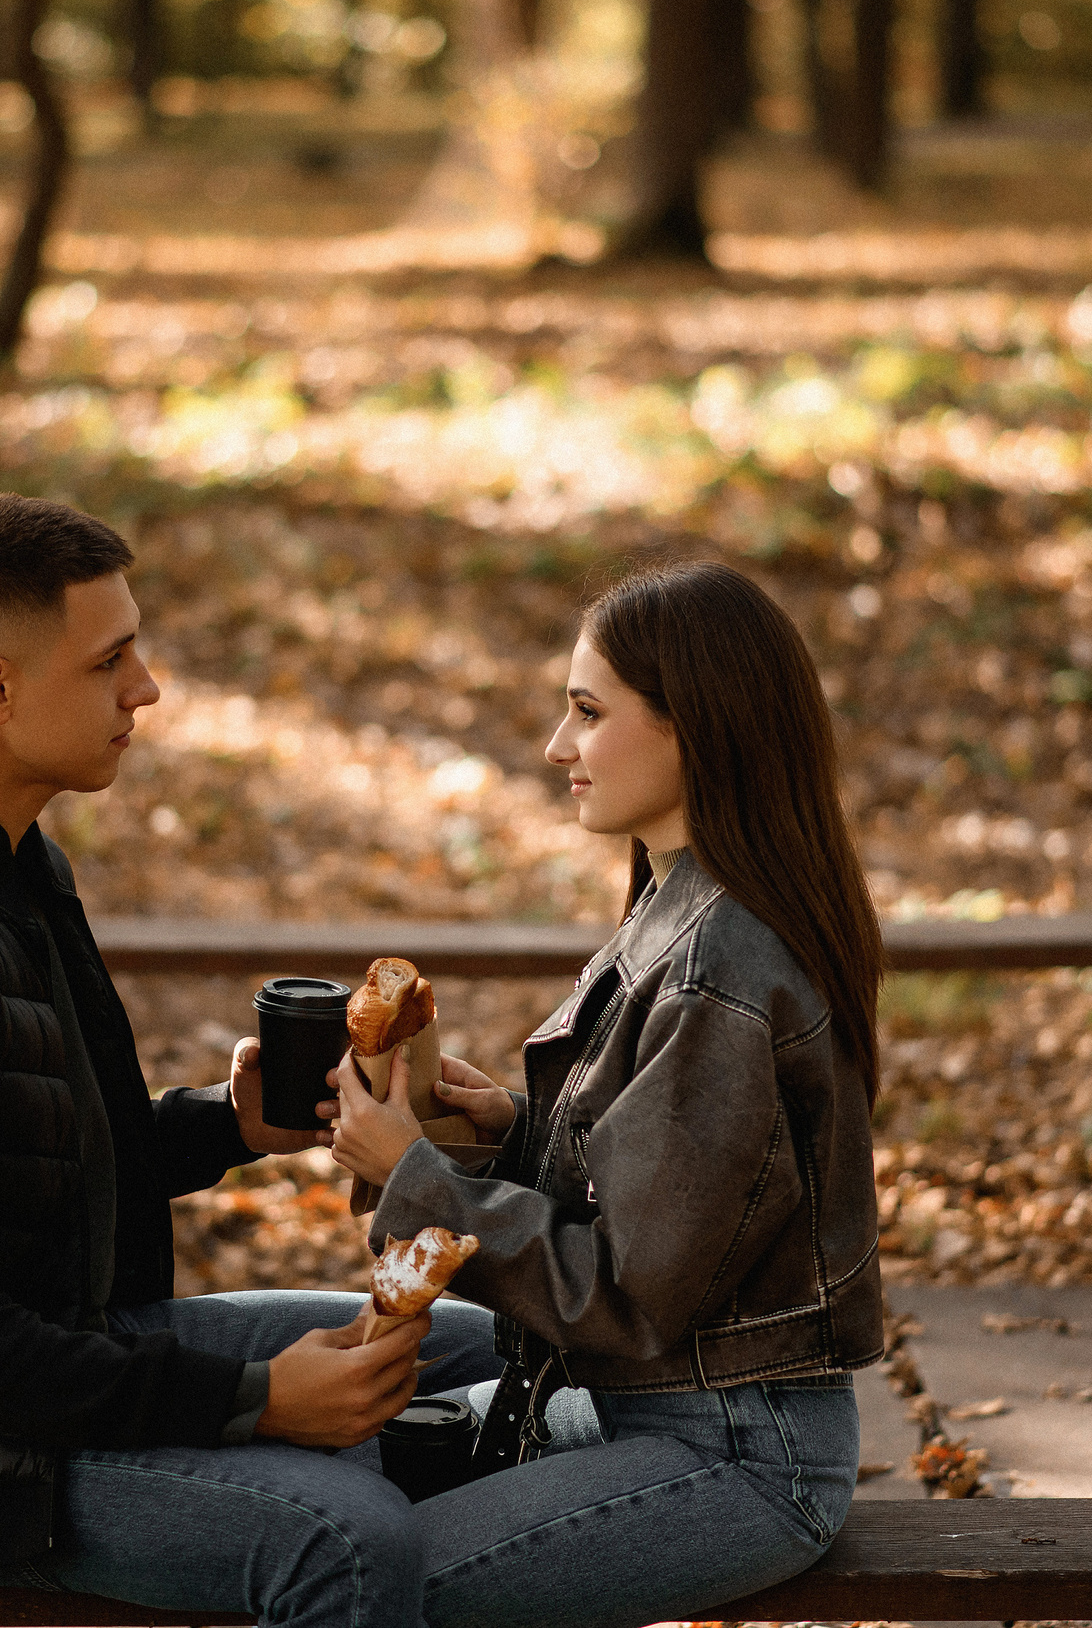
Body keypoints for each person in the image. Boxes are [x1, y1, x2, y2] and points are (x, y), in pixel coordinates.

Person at [0, 493, 499, 1628]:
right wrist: (255, 1401)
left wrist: (225, 1125)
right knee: (352, 1541)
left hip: (55, 1353)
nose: (147, 688)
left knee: (478, 1349)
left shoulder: (11, 862)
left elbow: (30, 1159)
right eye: (108, 662)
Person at [326, 559, 888, 1628]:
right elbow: (668, 1199)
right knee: (311, 1457)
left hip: (737, 1451)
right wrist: (508, 1134)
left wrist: (415, 1176)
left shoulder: (722, 967)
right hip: (642, 1404)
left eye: (588, 712)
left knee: (347, 1575)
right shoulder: (685, 901)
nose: (556, 745)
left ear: (695, 728)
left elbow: (624, 1293)